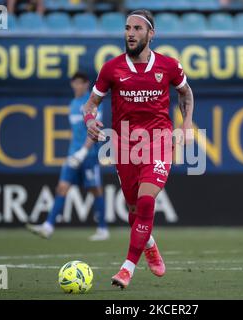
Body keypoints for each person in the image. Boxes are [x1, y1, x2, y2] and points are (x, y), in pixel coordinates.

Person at [82, 9, 194, 289]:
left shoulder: (169, 66)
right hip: (123, 145)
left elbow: (185, 93)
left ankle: (126, 269)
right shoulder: (111, 69)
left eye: (137, 29)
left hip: (158, 141)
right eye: (127, 28)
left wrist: (186, 124)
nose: (130, 33)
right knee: (133, 208)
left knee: (146, 201)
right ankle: (150, 244)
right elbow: (91, 104)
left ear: (150, 34)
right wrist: (89, 121)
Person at [26, 72, 109, 241]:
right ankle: (48, 227)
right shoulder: (72, 104)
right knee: (62, 187)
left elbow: (95, 130)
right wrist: (75, 152)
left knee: (95, 189)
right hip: (73, 154)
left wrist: (83, 151)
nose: (78, 86)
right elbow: (76, 133)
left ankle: (102, 229)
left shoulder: (93, 102)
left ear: (87, 85)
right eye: (75, 83)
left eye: (81, 83)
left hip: (89, 155)